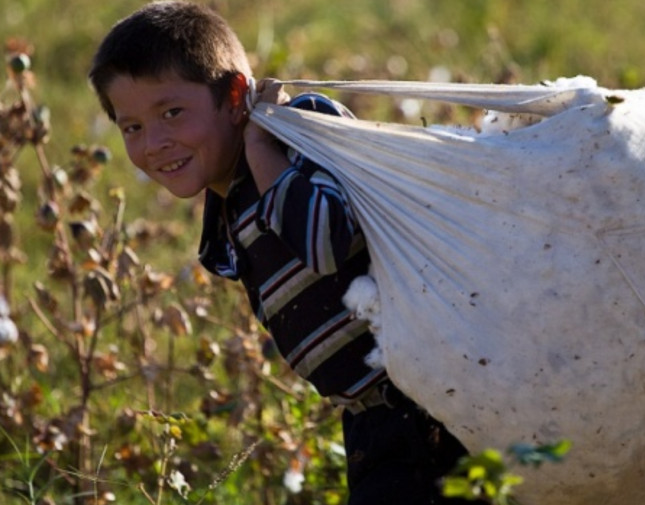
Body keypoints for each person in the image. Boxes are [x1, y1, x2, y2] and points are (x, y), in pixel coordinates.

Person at [88, 2, 476, 504]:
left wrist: (261, 144)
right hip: (368, 420)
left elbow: (327, 243)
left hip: (427, 407)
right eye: (132, 128)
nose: (155, 143)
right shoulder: (228, 207)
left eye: (172, 112)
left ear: (233, 96)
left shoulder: (302, 134)